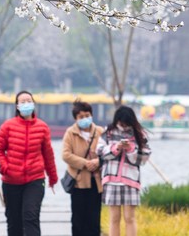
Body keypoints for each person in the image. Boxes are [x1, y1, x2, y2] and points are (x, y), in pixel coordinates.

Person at [0, 91, 58, 236]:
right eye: (22, 102)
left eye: (28, 100)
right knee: (14, 221)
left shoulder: (42, 127)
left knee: (31, 216)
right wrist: (5, 168)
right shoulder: (8, 126)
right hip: (11, 180)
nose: (26, 104)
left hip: (35, 179)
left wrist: (52, 177)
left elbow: (48, 154)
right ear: (17, 106)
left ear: (33, 103)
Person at [97, 105, 151, 236]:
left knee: (129, 218)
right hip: (111, 180)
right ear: (117, 120)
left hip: (130, 181)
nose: (124, 126)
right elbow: (99, 151)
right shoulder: (108, 132)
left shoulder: (139, 134)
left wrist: (130, 149)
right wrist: (116, 147)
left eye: (127, 123)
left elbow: (144, 158)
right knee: (114, 218)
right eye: (121, 123)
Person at [62, 99, 104, 236]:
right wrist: (85, 163)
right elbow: (66, 155)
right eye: (81, 117)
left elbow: (108, 153)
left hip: (95, 182)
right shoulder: (70, 133)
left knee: (94, 219)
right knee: (78, 219)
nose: (85, 119)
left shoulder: (100, 132)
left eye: (87, 115)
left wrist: (98, 162)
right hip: (78, 182)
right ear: (76, 118)